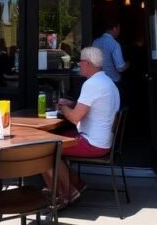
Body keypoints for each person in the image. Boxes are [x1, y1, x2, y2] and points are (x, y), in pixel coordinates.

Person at [49, 46, 119, 208]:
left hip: (92, 143)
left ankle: (65, 194)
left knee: (47, 149)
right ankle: (77, 184)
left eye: (80, 62)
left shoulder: (92, 84)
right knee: (55, 142)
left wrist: (62, 107)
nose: (78, 65)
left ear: (87, 63)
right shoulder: (108, 81)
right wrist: (72, 104)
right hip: (103, 140)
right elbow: (94, 108)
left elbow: (74, 118)